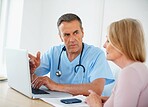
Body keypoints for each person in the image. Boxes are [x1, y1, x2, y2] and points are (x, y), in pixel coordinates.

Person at [29, 13, 114, 96]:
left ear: (82, 32)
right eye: (67, 35)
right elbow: (32, 79)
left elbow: (97, 89)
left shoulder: (96, 55)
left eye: (76, 33)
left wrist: (55, 86)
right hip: (55, 102)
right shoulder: (54, 52)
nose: (72, 39)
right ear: (60, 37)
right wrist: (30, 71)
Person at [85, 18, 148, 107]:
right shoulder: (140, 68)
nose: (104, 45)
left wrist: (95, 104)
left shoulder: (129, 73)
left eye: (108, 41)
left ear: (121, 44)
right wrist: (112, 99)